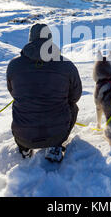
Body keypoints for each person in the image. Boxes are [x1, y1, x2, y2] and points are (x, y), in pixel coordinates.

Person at [6, 24, 82, 162]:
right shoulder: (66, 65)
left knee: (19, 104)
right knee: (73, 107)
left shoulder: (14, 65)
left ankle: (25, 147)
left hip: (23, 135)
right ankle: (55, 145)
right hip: (57, 134)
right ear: (50, 39)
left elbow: (12, 92)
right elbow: (75, 96)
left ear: (31, 39)